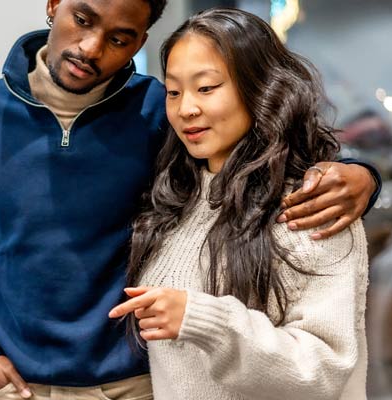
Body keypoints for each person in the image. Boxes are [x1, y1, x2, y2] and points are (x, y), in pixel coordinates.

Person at [0, 1, 379, 398]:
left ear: (139, 40)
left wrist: (364, 176)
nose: (91, 48)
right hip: (23, 384)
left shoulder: (157, 112)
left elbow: (268, 154)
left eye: (119, 38)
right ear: (54, 3)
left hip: (140, 383)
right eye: (82, 19)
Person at [108, 8, 368, 399]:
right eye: (174, 91)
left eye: (207, 88)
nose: (186, 109)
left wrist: (203, 321)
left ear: (258, 87)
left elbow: (322, 370)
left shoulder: (311, 204)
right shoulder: (177, 200)